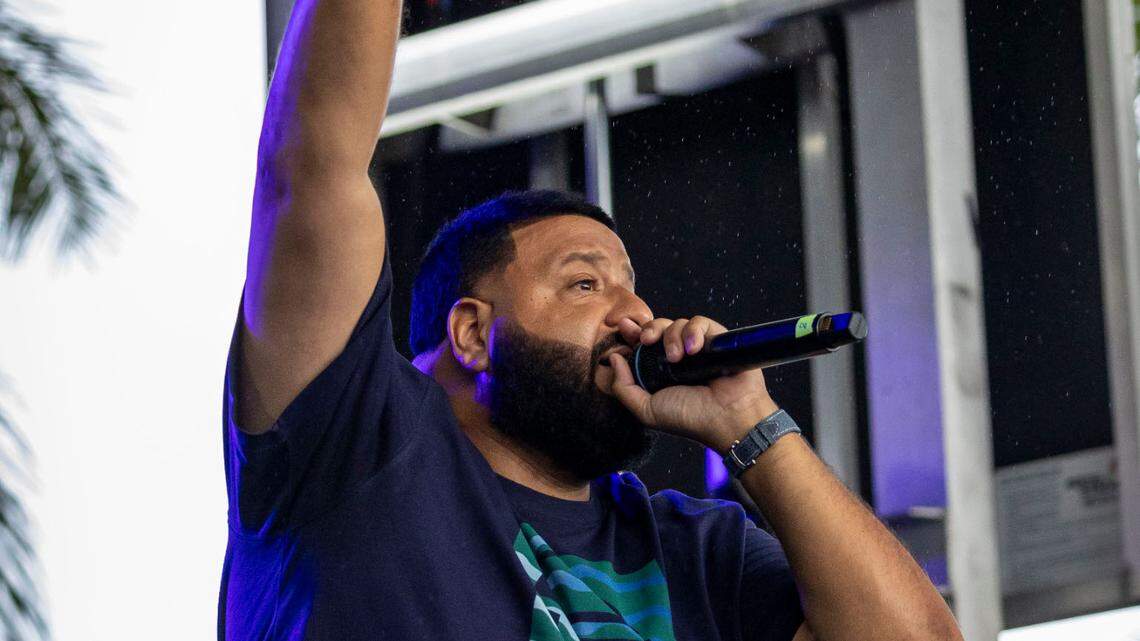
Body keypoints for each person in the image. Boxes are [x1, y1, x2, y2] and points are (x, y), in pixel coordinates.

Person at [218, 1, 964, 640]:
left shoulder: (691, 550)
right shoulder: (353, 440)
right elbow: (310, 164)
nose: (635, 313)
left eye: (631, 288)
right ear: (472, 333)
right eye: (584, 283)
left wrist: (750, 422)